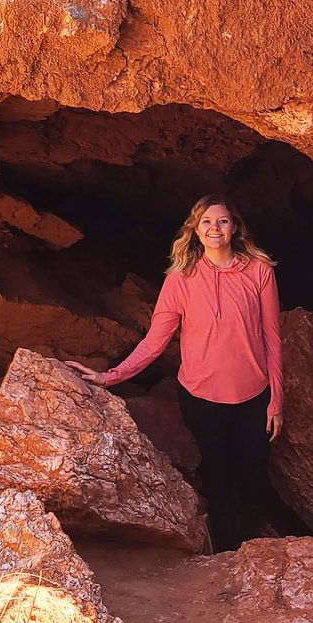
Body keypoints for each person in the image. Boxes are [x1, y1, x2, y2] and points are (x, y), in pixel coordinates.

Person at [72, 194, 283, 552]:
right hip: (201, 396)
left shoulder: (259, 271)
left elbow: (272, 336)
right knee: (217, 475)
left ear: (235, 228)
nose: (215, 228)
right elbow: (156, 341)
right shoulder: (181, 279)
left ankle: (255, 549)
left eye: (222, 221)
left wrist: (277, 399)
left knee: (253, 474)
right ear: (196, 230)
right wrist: (111, 377)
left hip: (253, 394)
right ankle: (227, 555)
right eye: (207, 222)